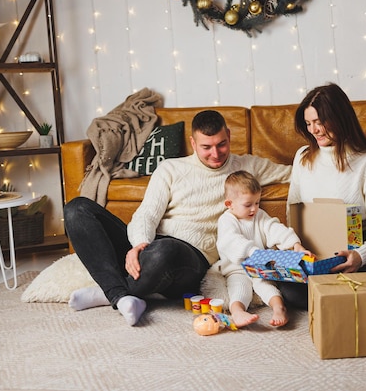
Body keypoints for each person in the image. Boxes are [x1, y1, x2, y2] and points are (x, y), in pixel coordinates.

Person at [63, 110, 291, 326]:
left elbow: (294, 172)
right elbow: (147, 213)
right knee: (77, 208)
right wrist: (140, 245)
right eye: (206, 147)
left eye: (222, 144)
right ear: (193, 143)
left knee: (165, 251)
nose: (216, 153)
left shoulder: (247, 166)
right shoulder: (170, 168)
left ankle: (111, 291)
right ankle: (120, 294)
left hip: (189, 257)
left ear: (229, 136)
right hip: (150, 244)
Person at [279, 83, 366, 309]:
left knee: (339, 292)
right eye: (308, 123)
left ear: (339, 118)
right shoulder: (303, 157)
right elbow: (292, 210)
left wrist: (361, 256)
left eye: (319, 122)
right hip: (314, 256)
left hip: (354, 256)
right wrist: (296, 247)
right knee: (290, 292)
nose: (314, 130)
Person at [214, 170, 312, 328]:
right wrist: (253, 252)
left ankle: (279, 308)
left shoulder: (259, 215)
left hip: (259, 266)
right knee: (239, 286)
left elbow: (274, 228)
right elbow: (231, 241)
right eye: (248, 205)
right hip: (236, 267)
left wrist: (295, 244)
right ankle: (238, 311)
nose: (254, 209)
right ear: (229, 204)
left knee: (266, 285)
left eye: (257, 202)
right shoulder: (227, 221)